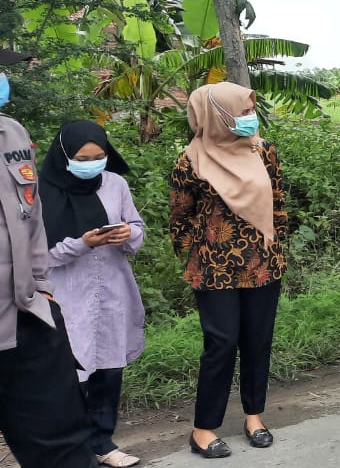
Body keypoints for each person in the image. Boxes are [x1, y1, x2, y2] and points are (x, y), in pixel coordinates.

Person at [170, 82, 287, 459]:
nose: (248, 118)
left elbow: (279, 204)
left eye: (249, 111)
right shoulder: (190, 161)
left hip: (262, 263)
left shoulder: (263, 151)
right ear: (216, 116)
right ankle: (203, 429)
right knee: (220, 345)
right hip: (213, 269)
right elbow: (179, 219)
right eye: (240, 112)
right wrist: (197, 257)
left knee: (258, 341)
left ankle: (254, 417)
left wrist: (275, 246)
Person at [0, 68, 99, 468]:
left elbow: (31, 215)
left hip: (27, 316)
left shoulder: (11, 133)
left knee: (65, 449)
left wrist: (42, 286)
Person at [40, 120, 145, 467]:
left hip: (112, 292)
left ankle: (103, 443)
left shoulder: (115, 184)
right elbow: (38, 254)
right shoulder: (43, 192)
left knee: (107, 372)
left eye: (100, 156)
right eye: (83, 157)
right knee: (70, 375)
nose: (93, 163)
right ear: (65, 155)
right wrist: (81, 245)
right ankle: (72, 450)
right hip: (67, 296)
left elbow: (138, 229)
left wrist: (127, 233)